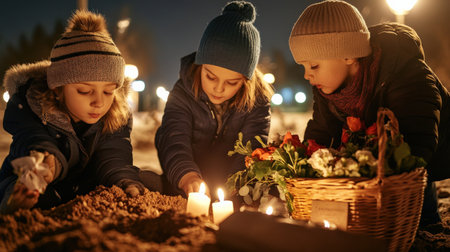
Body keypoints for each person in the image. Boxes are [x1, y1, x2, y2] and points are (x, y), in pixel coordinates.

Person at [288, 0, 450, 226]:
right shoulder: (327, 87)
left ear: (349, 56)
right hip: (368, 165)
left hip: (420, 162)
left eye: (313, 66)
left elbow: (416, 145)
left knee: (416, 219)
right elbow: (322, 131)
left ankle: (427, 223)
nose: (307, 75)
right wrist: (304, 167)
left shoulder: (407, 75)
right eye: (303, 67)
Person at [0, 10, 145, 214]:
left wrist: (124, 181)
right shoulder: (33, 109)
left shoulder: (113, 116)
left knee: (143, 179)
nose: (99, 102)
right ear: (58, 89)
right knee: (30, 190)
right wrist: (48, 164)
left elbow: (114, 155)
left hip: (87, 188)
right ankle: (15, 204)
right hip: (44, 181)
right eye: (84, 91)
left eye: (108, 91)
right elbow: (34, 139)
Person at [154, 1, 273, 199]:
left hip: (230, 188)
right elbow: (173, 139)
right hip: (186, 183)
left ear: (245, 81)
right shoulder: (184, 91)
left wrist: (235, 186)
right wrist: (187, 176)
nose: (219, 88)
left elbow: (252, 149)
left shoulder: (257, 101)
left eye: (232, 82)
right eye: (211, 77)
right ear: (200, 66)